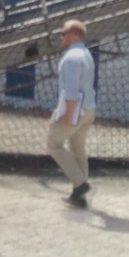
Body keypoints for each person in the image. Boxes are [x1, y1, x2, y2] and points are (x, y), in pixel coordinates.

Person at [47, 19, 97, 209]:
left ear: (73, 34)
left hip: (75, 110)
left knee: (53, 145)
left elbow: (71, 90)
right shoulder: (86, 54)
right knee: (78, 149)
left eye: (63, 33)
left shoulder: (71, 58)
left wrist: (67, 116)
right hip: (89, 109)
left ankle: (80, 184)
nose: (61, 37)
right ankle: (79, 196)